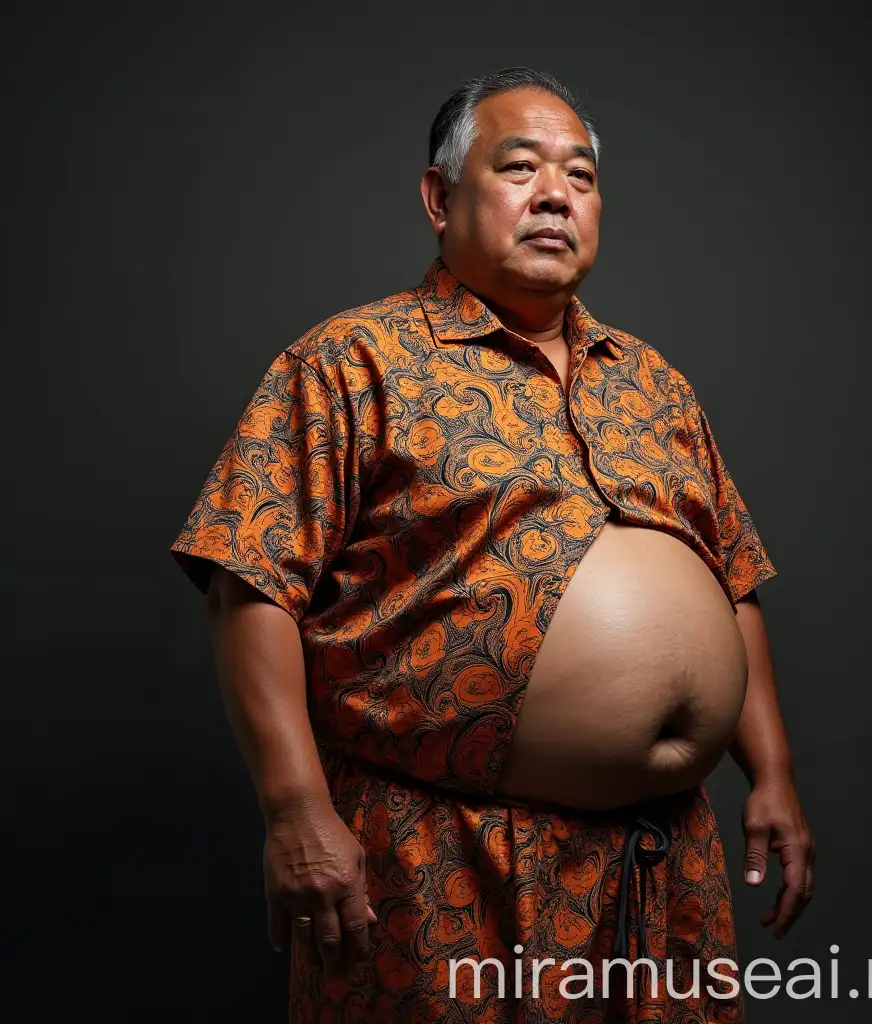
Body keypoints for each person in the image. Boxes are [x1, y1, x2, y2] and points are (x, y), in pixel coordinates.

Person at [170, 67, 814, 1024]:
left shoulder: (654, 383)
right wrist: (295, 808)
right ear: (440, 197)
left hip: (662, 858)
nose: (557, 194)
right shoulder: (352, 362)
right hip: (442, 854)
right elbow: (250, 578)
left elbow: (732, 584)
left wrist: (773, 775)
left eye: (581, 176)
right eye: (520, 166)